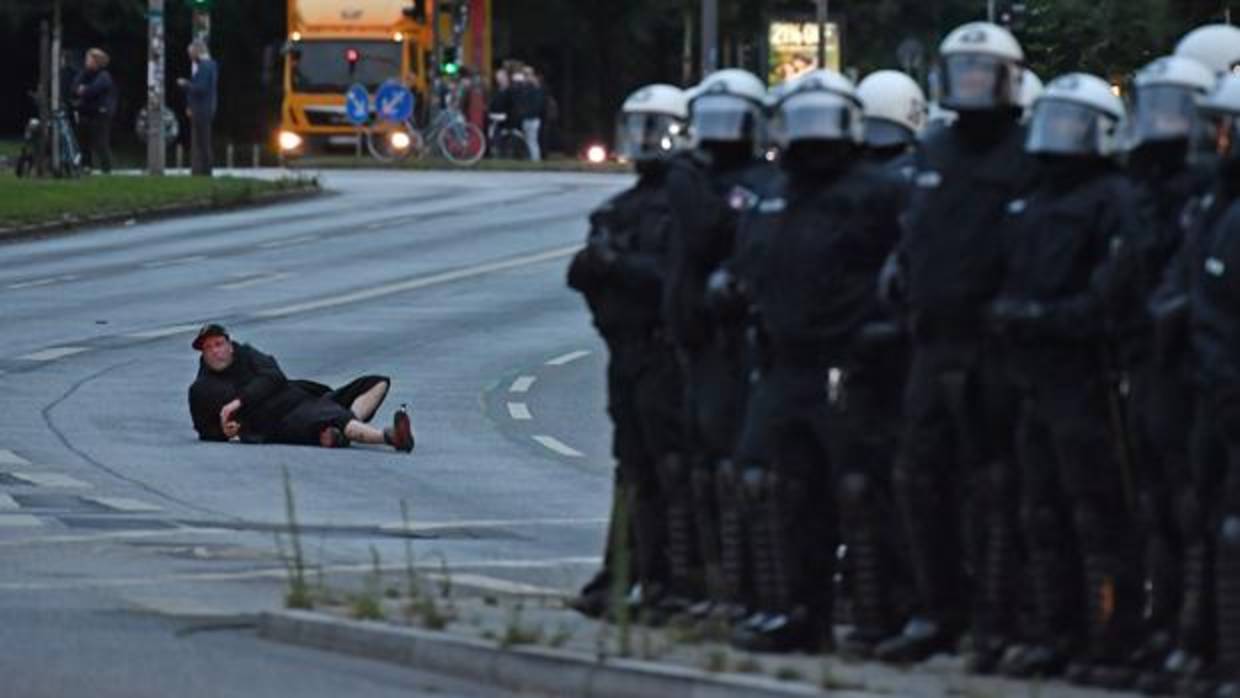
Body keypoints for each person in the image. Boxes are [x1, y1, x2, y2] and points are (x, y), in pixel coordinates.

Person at [722, 69, 907, 653]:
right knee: (769, 484)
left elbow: (908, 267)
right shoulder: (777, 190)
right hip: (783, 362)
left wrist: (884, 330)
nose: (812, 134)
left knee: (856, 490)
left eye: (823, 120)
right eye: (802, 120)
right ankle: (795, 609)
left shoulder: (876, 191)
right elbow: (749, 256)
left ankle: (879, 616)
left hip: (847, 365)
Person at [874, 22, 1037, 672]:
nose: (971, 83)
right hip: (930, 341)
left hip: (994, 347)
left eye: (982, 72)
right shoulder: (933, 148)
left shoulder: (1027, 154)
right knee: (918, 480)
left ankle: (999, 620)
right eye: (961, 71)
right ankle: (933, 610)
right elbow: (913, 229)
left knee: (995, 488)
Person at [985, 73, 1144, 684]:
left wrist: (1044, 318)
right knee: (1039, 509)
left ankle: (1113, 637)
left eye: (1075, 126)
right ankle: (1057, 629)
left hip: (1086, 378)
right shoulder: (1032, 197)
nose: (1061, 138)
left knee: (1096, 512)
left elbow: (1112, 294)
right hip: (1030, 376)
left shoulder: (1112, 197)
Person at [566, 84, 690, 619]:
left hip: (669, 353)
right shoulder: (621, 206)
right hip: (626, 352)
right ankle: (621, 573)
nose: (646, 141)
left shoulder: (688, 203)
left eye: (657, 128)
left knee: (670, 466)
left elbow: (675, 281)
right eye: (638, 128)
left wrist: (620, 268)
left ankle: (672, 580)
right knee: (631, 466)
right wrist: (601, 265)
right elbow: (582, 272)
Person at [1114, 54, 1217, 693]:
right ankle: (1163, 627)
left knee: (1194, 508)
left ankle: (1199, 635)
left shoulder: (1206, 189)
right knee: (1152, 503)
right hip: (1145, 362)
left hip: (1196, 369)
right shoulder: (1138, 189)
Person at [662, 68, 774, 623]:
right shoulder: (693, 175)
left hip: (740, 341)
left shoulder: (761, 184)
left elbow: (712, 234)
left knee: (737, 469)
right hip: (691, 339)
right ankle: (702, 583)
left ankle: (746, 588)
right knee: (696, 466)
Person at [187, 324, 414, 453]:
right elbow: (204, 430)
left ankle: (340, 433)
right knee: (336, 418)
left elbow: (274, 376)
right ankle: (391, 437)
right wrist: (224, 433)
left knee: (377, 382)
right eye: (208, 348)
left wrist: (239, 401)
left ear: (229, 344)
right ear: (203, 354)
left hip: (305, 397)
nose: (216, 352)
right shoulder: (202, 389)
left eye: (219, 344)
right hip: (284, 418)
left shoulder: (246, 354)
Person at [72, 48, 117, 174]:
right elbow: (74, 87)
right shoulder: (84, 73)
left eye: (89, 59)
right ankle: (87, 166)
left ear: (97, 61)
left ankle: (106, 168)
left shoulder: (104, 76)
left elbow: (93, 90)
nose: (86, 61)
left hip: (100, 112)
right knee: (83, 139)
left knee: (100, 141)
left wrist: (84, 90)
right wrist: (82, 90)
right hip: (86, 111)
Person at [177, 40, 218, 177]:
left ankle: (206, 172)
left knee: (203, 141)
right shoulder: (209, 65)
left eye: (191, 53)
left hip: (202, 109)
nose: (190, 56)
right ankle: (205, 171)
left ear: (197, 51)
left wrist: (185, 84)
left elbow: (200, 88)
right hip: (204, 108)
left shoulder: (205, 67)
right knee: (202, 141)